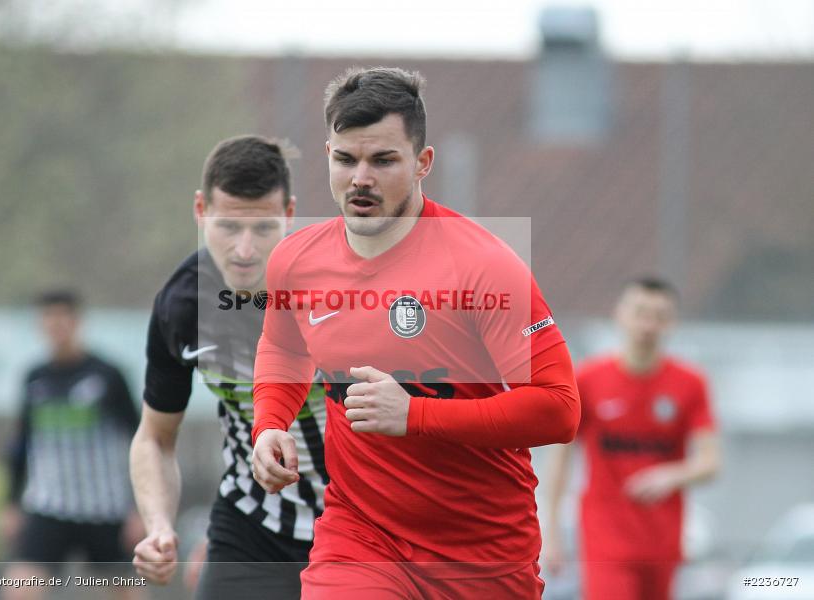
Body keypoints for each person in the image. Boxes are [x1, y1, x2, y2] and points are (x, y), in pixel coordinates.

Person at [251, 66, 581, 599]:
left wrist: (415, 415)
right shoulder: (295, 259)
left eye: (383, 160)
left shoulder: (484, 267)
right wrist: (268, 424)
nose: (361, 178)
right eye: (345, 159)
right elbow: (283, 351)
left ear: (423, 163)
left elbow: (558, 408)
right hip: (360, 537)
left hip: (481, 554)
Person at [129, 135, 328, 600]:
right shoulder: (181, 307)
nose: (244, 249)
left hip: (359, 526)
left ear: (290, 214)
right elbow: (155, 437)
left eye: (262, 229)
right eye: (228, 226)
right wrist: (159, 528)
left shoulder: (334, 291)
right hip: (250, 527)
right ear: (200, 209)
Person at [543, 277, 720, 600]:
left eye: (659, 316)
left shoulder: (690, 383)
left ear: (671, 323)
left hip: (662, 539)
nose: (648, 324)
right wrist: (552, 531)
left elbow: (711, 462)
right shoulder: (588, 379)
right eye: (640, 312)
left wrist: (671, 475)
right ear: (620, 314)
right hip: (605, 540)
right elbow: (560, 458)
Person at [3, 290, 145, 600]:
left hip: (105, 507)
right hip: (48, 504)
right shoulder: (34, 377)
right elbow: (22, 443)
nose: (56, 326)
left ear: (77, 321)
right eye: (48, 319)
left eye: (62, 318)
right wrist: (11, 502)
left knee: (126, 591)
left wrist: (139, 508)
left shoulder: (107, 375)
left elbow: (141, 440)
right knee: (20, 588)